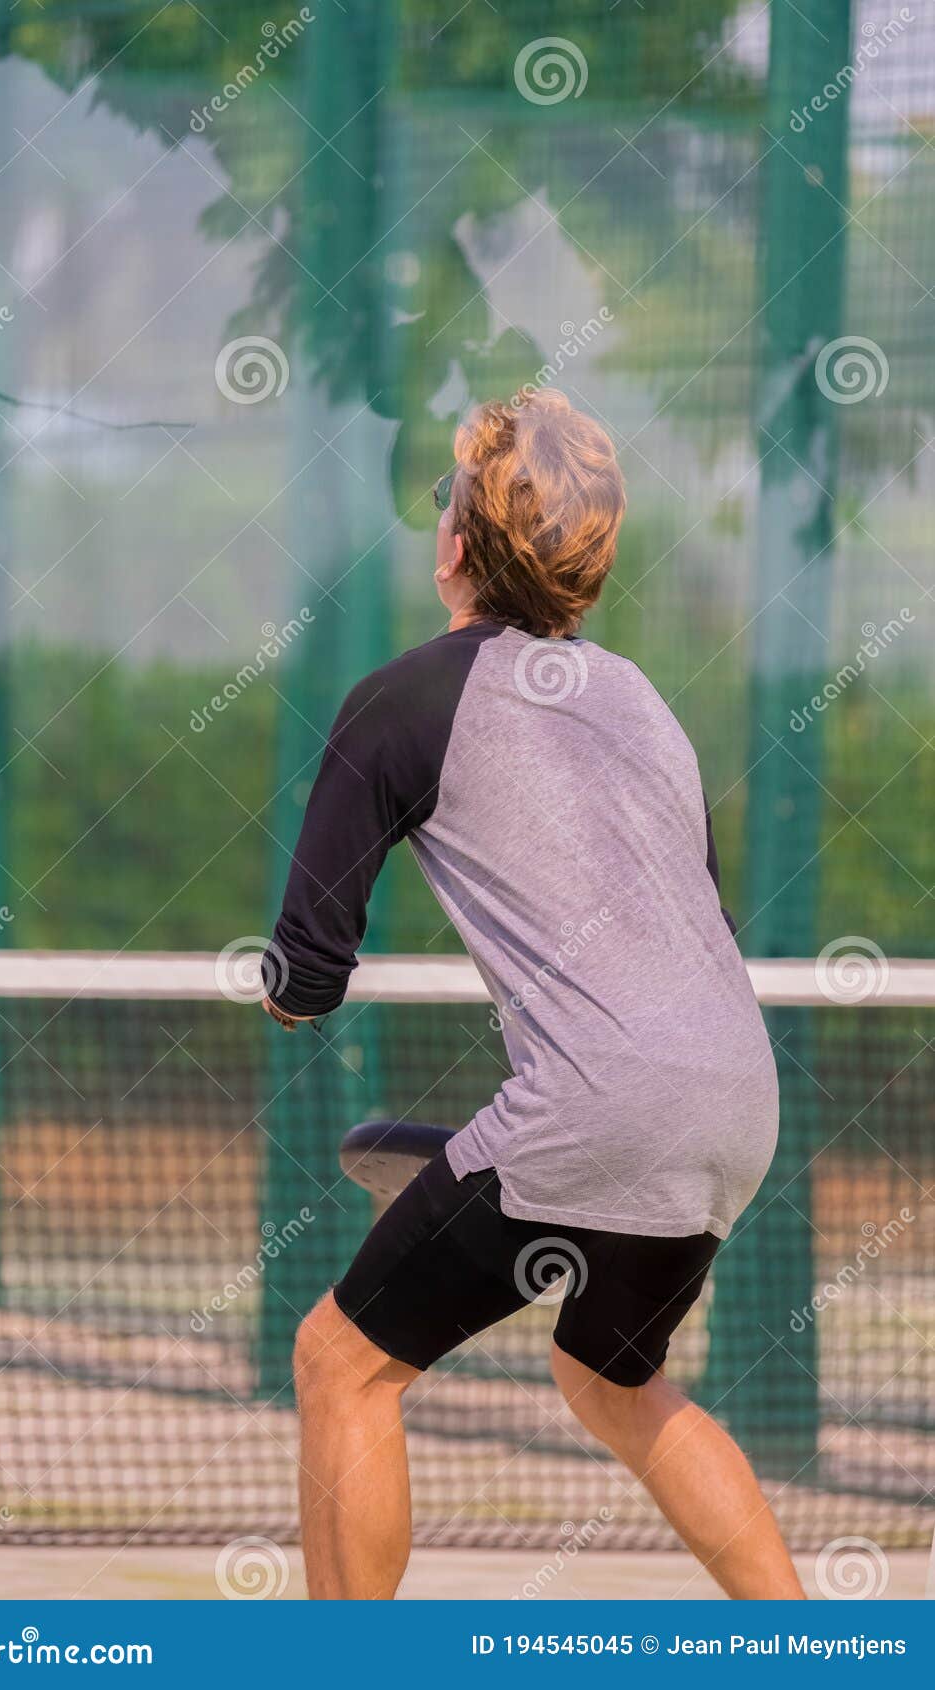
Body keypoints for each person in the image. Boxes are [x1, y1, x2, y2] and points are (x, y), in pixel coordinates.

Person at [262, 388, 803, 1601]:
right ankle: (811, 1654)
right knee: (614, 1381)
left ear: (455, 542)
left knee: (341, 1362)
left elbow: (308, 974)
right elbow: (696, 932)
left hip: (597, 1107)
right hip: (734, 1100)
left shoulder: (397, 704)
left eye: (447, 499)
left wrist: (282, 999)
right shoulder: (645, 707)